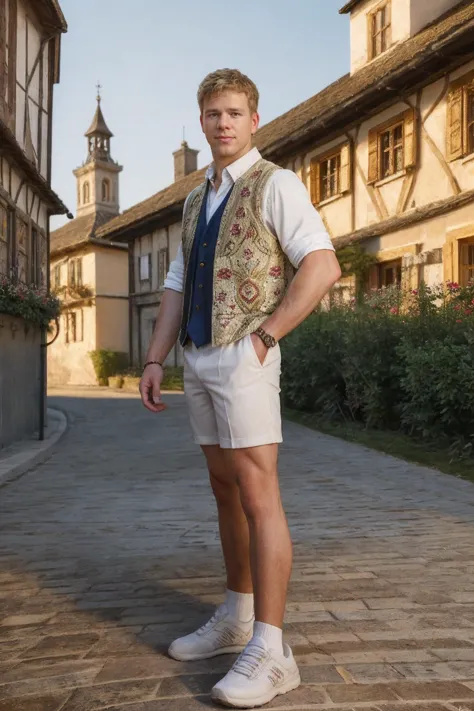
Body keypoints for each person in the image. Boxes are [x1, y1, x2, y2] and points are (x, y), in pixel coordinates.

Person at [139, 68, 341, 709]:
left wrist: (267, 336)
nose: (222, 123)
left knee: (259, 492)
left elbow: (322, 263)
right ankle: (237, 616)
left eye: (233, 112)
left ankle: (273, 650)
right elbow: (175, 281)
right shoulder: (197, 197)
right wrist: (154, 358)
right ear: (202, 123)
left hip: (244, 354)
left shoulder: (275, 183)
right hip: (197, 357)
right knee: (224, 488)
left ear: (254, 119)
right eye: (211, 114)